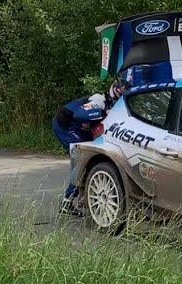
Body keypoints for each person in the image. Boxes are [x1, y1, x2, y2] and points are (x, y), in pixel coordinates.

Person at [53, 78, 128, 216]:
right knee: (82, 161)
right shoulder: (99, 100)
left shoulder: (112, 103)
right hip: (65, 127)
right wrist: (100, 115)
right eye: (119, 90)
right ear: (115, 88)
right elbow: (79, 114)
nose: (120, 92)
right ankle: (67, 202)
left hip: (73, 126)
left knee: (88, 156)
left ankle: (80, 196)